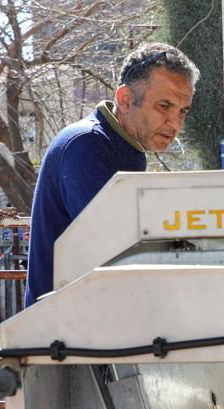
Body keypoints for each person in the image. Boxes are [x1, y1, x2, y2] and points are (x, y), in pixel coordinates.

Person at [24, 43, 199, 306]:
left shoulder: (121, 146)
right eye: (164, 106)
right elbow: (116, 249)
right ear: (126, 99)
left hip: (85, 322)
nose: (175, 124)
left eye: (182, 111)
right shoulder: (87, 145)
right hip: (60, 331)